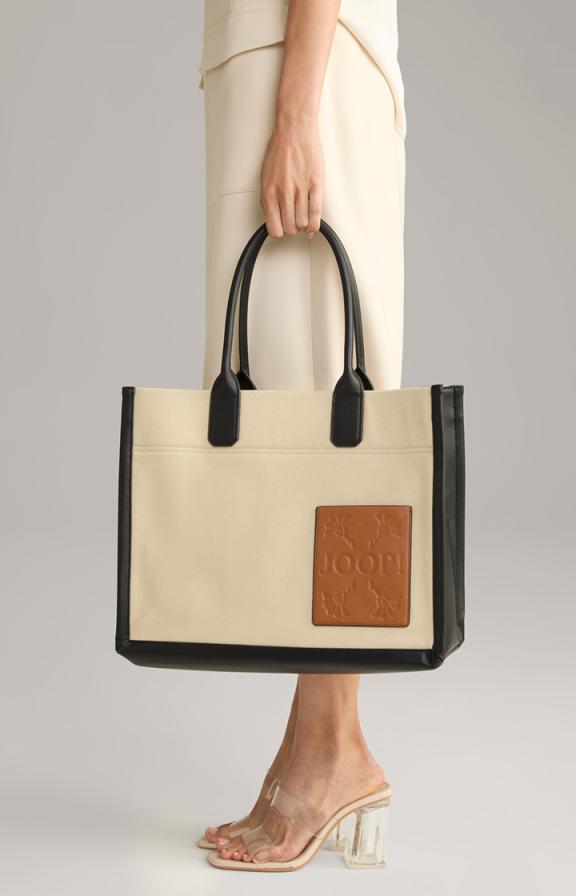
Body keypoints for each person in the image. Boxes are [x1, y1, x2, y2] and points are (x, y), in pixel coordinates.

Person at [197, 0, 406, 870]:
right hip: (273, 62)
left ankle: (332, 752)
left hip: (306, 65)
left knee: (324, 421)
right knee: (298, 421)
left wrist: (295, 111)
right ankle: (314, 744)